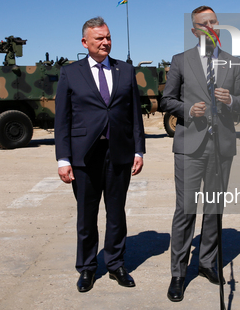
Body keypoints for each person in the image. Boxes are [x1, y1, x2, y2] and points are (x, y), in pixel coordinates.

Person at [161, 6, 240, 302]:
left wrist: (232, 100)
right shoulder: (181, 61)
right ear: (194, 30)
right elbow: (166, 100)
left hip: (221, 146)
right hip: (190, 146)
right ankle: (178, 273)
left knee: (214, 209)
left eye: (214, 22)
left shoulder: (233, 62)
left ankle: (208, 263)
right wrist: (187, 109)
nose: (211, 27)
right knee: (186, 209)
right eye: (204, 24)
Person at [54, 16, 146, 293]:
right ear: (85, 42)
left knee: (116, 213)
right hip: (85, 156)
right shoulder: (71, 73)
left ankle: (116, 263)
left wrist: (139, 149)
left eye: (107, 37)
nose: (105, 42)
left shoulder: (125, 71)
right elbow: (63, 119)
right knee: (87, 215)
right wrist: (63, 158)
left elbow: (134, 115)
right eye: (99, 38)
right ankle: (87, 268)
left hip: (119, 152)